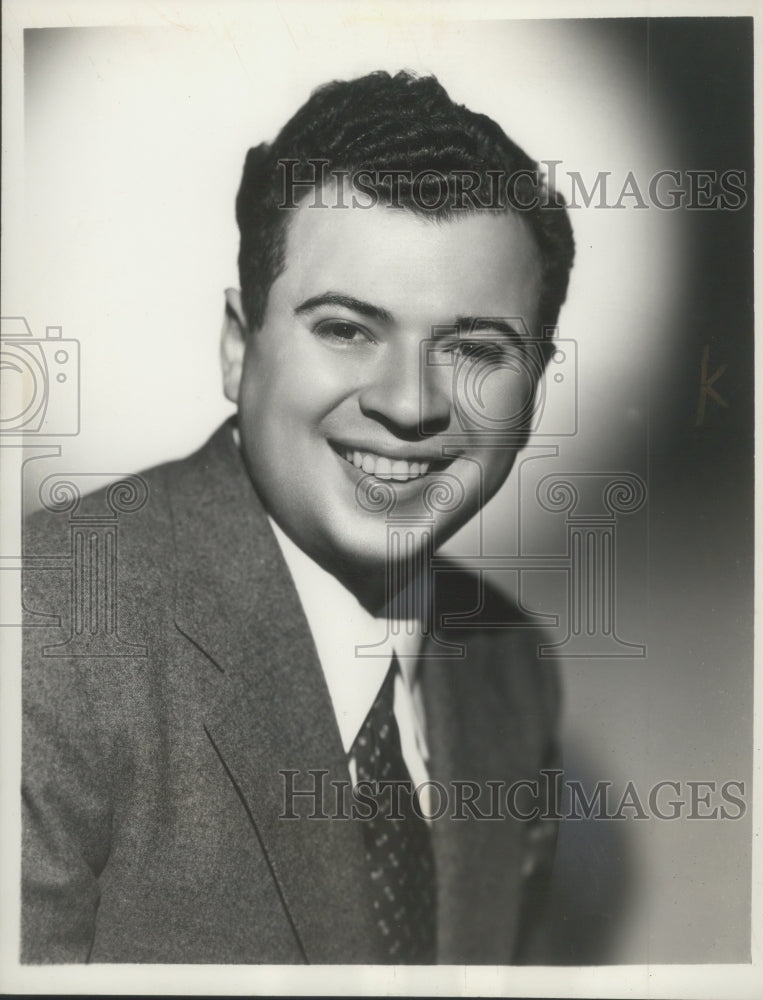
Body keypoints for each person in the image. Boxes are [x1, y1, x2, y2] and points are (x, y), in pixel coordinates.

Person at [21, 70, 575, 964]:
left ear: (536, 394)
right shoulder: (48, 635)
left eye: (474, 350)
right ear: (239, 349)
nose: (409, 404)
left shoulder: (512, 666)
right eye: (348, 329)